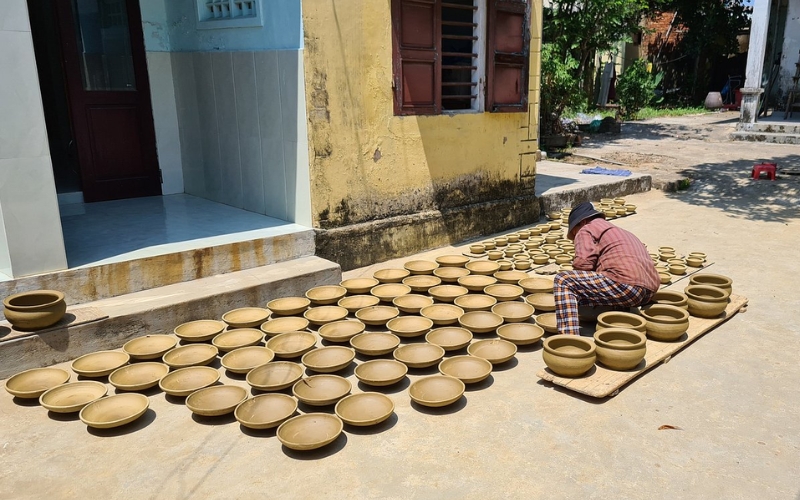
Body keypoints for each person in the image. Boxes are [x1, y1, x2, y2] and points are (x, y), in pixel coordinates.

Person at [553, 202, 660, 336]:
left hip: (627, 287)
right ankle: (619, 317)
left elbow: (583, 264)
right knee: (607, 275)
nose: (575, 237)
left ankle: (569, 339)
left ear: (583, 221)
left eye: (574, 232)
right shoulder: (619, 231)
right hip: (648, 291)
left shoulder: (586, 229)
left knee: (564, 281)